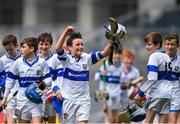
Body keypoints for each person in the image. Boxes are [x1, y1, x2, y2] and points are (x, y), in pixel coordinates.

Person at [55, 26, 111, 123]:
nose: (80, 47)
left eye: (82, 44)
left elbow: (105, 53)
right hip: (68, 100)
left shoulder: (87, 58)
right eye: (77, 44)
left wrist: (112, 40)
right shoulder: (66, 59)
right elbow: (57, 48)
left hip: (84, 100)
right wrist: (65, 33)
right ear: (70, 47)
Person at [0, 37, 52, 123]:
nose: (20, 49)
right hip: (22, 100)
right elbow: (10, 80)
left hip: (36, 100)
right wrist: (5, 97)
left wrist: (39, 89)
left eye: (23, 47)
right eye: (21, 47)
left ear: (31, 49)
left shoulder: (42, 62)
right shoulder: (18, 62)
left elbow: (48, 79)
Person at [134, 32, 172, 123]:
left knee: (148, 120)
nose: (146, 47)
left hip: (157, 94)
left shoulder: (154, 56)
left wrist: (140, 93)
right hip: (168, 94)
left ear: (158, 45)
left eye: (149, 44)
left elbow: (152, 78)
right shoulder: (167, 56)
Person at [38, 32, 64, 123]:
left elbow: (58, 78)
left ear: (51, 45)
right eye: (41, 44)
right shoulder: (34, 59)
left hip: (52, 95)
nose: (44, 47)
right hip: (37, 95)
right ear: (38, 45)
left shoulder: (56, 58)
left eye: (46, 44)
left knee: (52, 121)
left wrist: (55, 90)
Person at [94, 49, 123, 123]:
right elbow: (96, 77)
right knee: (108, 115)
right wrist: (101, 74)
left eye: (119, 54)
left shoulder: (123, 66)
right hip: (107, 93)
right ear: (111, 55)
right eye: (115, 53)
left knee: (116, 117)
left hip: (117, 93)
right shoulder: (106, 64)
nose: (117, 56)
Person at [0, 34, 21, 123]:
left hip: (23, 95)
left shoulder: (24, 57)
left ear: (16, 46)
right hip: (9, 96)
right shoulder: (2, 60)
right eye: (6, 50)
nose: (8, 51)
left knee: (22, 120)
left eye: (11, 49)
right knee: (10, 121)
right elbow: (1, 78)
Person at [164, 33, 180, 123]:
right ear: (164, 45)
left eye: (172, 44)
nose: (170, 47)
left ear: (177, 45)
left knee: (172, 120)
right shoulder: (158, 58)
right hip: (160, 95)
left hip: (175, 94)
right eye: (168, 44)